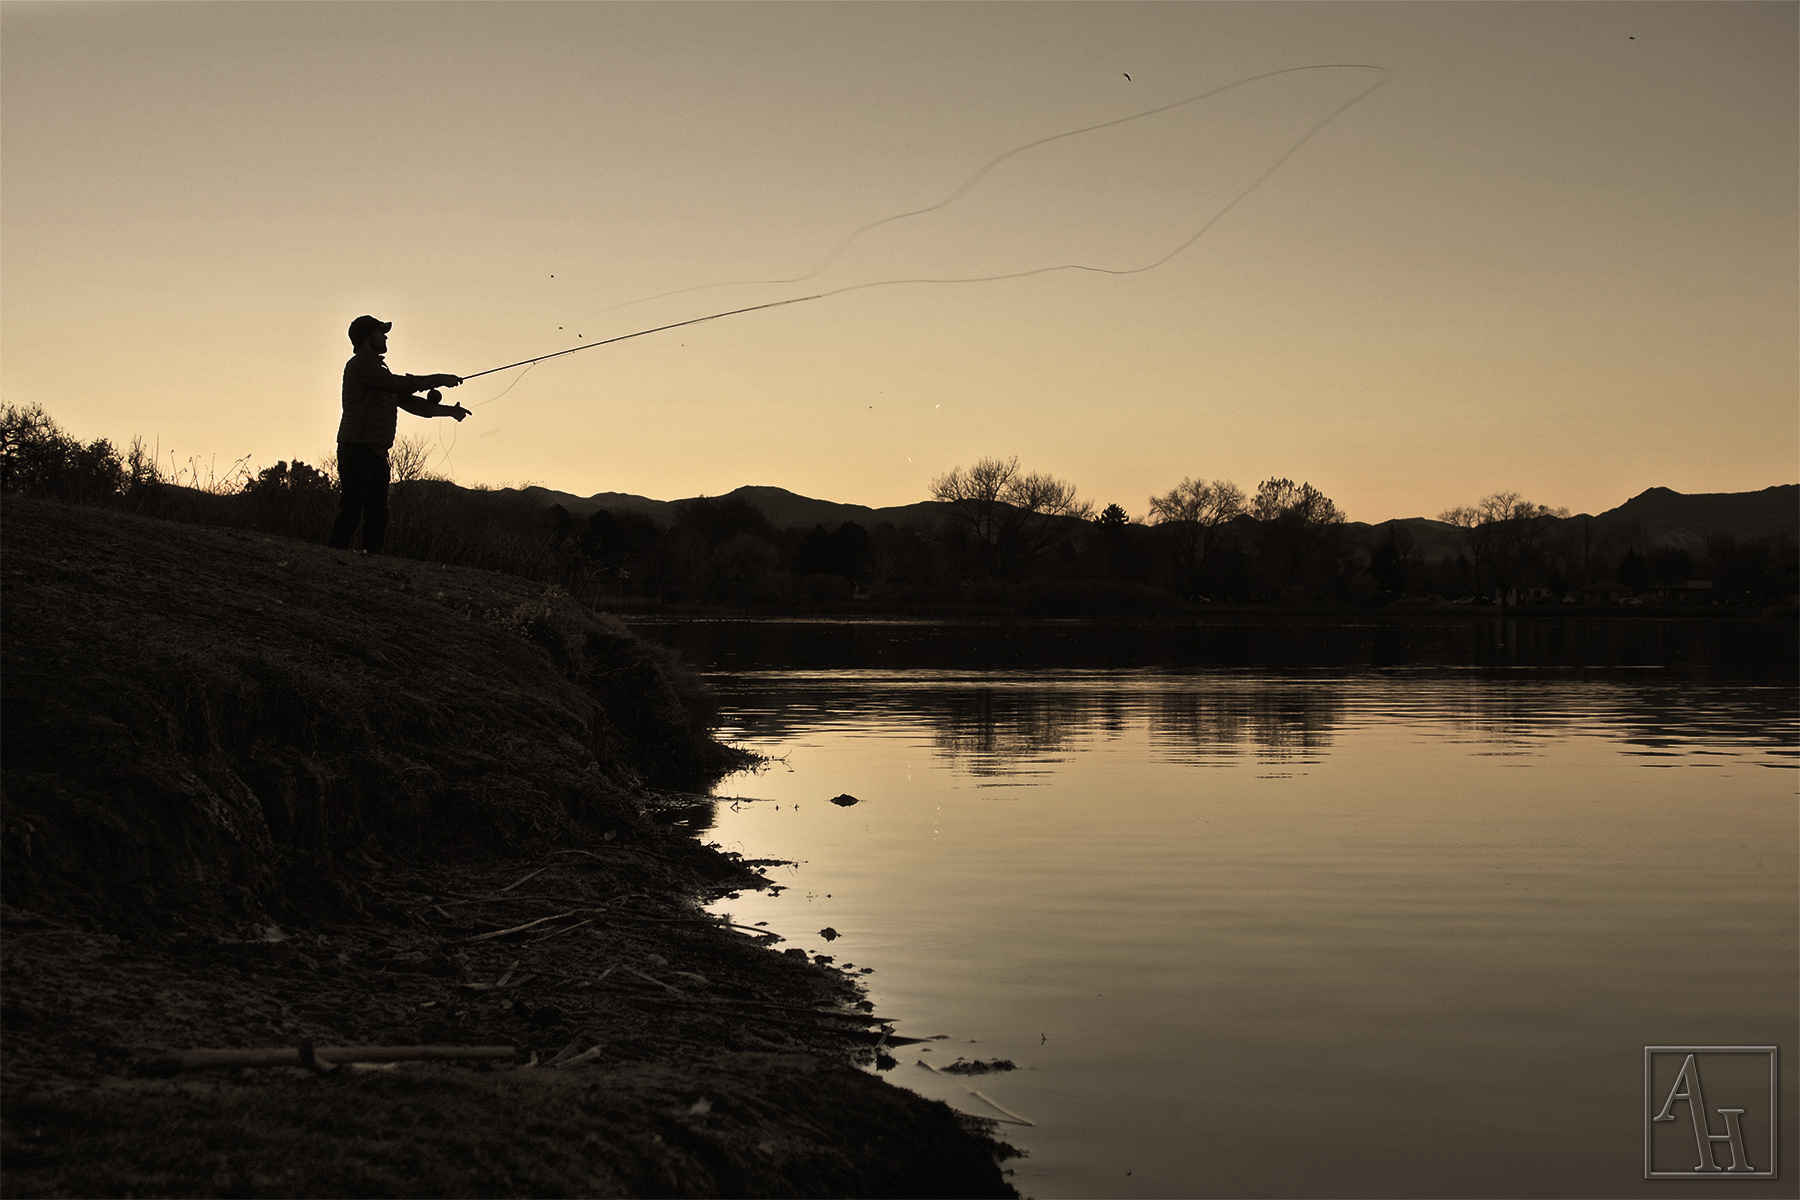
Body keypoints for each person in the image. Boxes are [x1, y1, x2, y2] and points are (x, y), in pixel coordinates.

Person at [328, 315, 468, 554]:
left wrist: (450, 412)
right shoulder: (360, 366)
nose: (385, 336)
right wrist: (439, 379)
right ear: (366, 337)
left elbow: (412, 403)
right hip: (356, 449)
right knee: (351, 511)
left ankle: (369, 563)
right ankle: (333, 561)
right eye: (380, 332)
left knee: (377, 514)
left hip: (377, 453)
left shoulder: (379, 372)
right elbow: (396, 385)